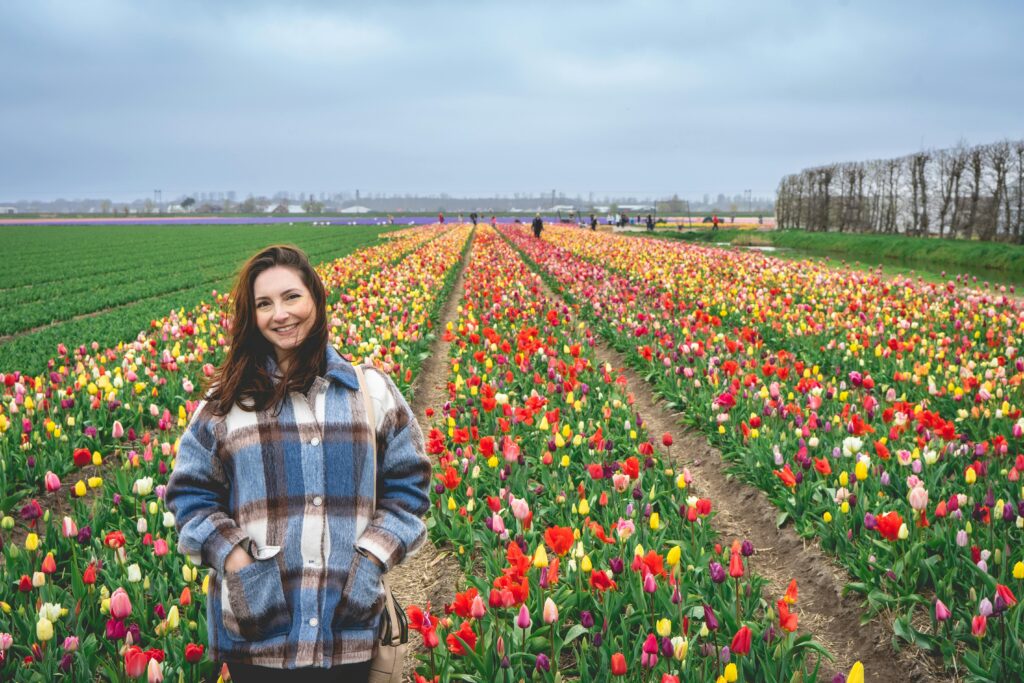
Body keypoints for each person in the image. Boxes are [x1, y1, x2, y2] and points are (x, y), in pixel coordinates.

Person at [166, 245, 431, 682]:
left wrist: (369, 560)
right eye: (264, 304)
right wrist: (236, 560)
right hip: (258, 631)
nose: (281, 314)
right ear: (252, 317)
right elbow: (190, 496)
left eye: (292, 297)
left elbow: (409, 489)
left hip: (346, 626)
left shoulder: (371, 393)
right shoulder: (226, 406)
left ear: (316, 299)